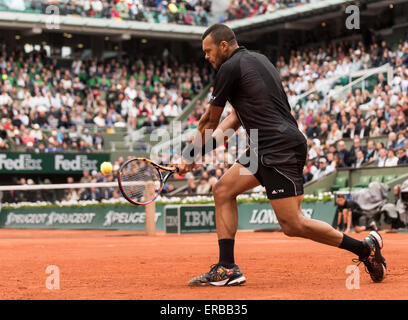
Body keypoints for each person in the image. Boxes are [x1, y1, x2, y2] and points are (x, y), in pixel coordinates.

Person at [177, 24, 386, 286]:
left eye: (208, 51)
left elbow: (210, 122)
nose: (206, 57)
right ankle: (227, 268)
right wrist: (193, 155)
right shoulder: (260, 61)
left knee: (293, 224)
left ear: (223, 46)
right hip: (264, 147)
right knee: (222, 190)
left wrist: (189, 156)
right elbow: (233, 122)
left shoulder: (228, 68)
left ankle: (365, 248)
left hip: (278, 147)